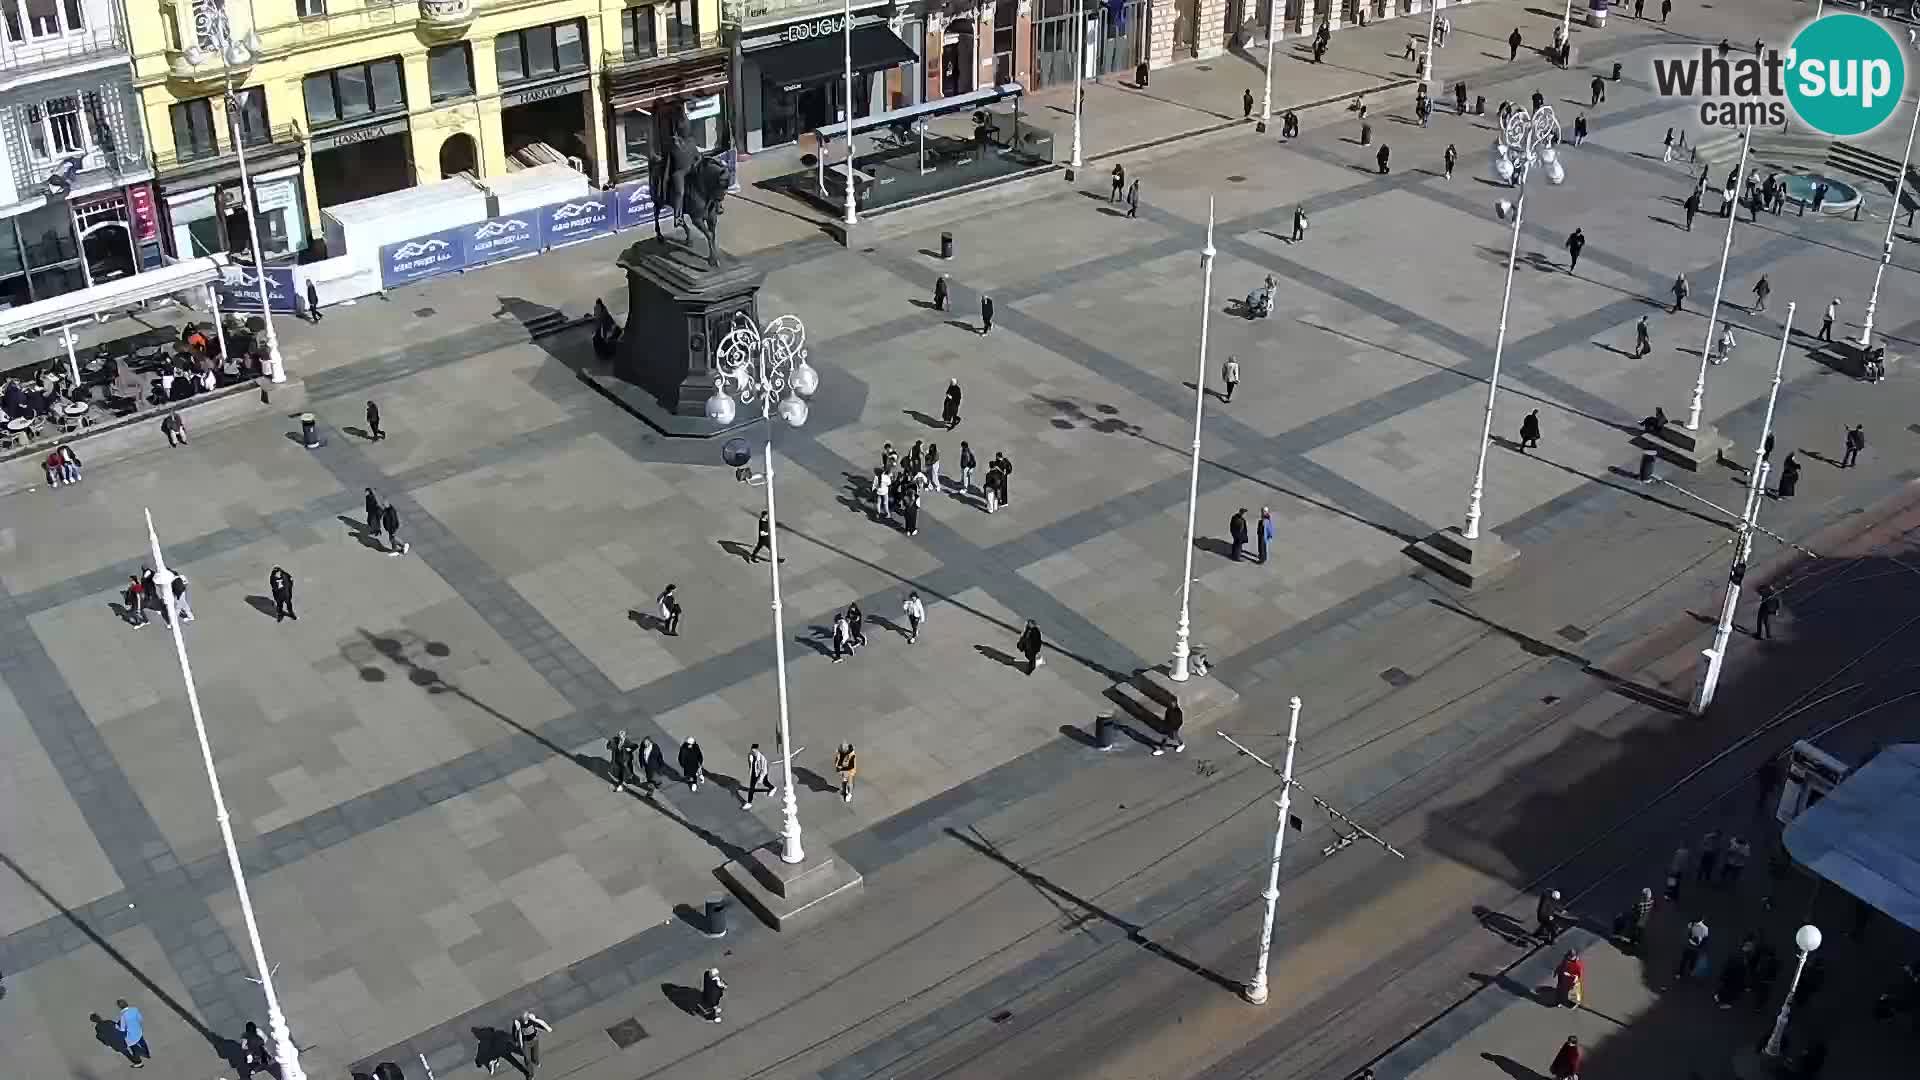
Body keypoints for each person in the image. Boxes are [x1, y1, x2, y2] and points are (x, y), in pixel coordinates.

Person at [117, 998, 150, 1068]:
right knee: (143, 1043)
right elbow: (140, 1019)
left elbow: (122, 1029)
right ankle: (147, 1054)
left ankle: (139, 1063)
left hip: (131, 1036)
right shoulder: (134, 1009)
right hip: (138, 1031)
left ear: (120, 1007)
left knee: (134, 1049)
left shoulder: (123, 1016)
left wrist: (117, 1027)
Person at [1676, 917, 1709, 982]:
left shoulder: (1705, 929)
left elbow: (1705, 939)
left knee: (1690, 960)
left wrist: (1700, 946)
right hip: (1690, 947)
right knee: (1685, 960)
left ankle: (1687, 971)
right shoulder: (1692, 925)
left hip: (1694, 948)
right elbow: (1687, 933)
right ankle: (1681, 972)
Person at [743, 743, 772, 807]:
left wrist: (760, 777)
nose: (753, 752)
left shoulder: (761, 758)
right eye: (752, 750)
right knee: (752, 788)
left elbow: (762, 769)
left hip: (762, 772)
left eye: (754, 751)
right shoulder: (750, 755)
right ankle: (749, 802)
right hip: (754, 773)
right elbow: (750, 763)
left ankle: (772, 788)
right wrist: (750, 770)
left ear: (757, 750)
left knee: (765, 782)